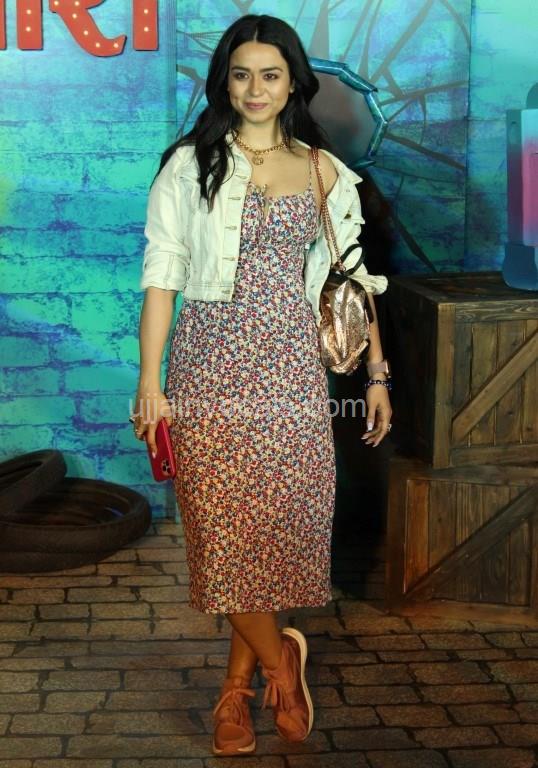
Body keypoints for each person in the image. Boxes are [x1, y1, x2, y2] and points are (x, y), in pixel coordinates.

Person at [131, 13, 391, 757]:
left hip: (291, 373)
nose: (255, 88)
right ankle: (284, 665)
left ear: (292, 83)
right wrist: (150, 381)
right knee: (222, 536)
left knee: (271, 532)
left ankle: (235, 692)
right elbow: (162, 275)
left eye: (270, 75)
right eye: (241, 74)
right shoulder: (190, 166)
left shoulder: (323, 171)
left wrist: (377, 375)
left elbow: (351, 281)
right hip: (208, 369)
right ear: (225, 83)